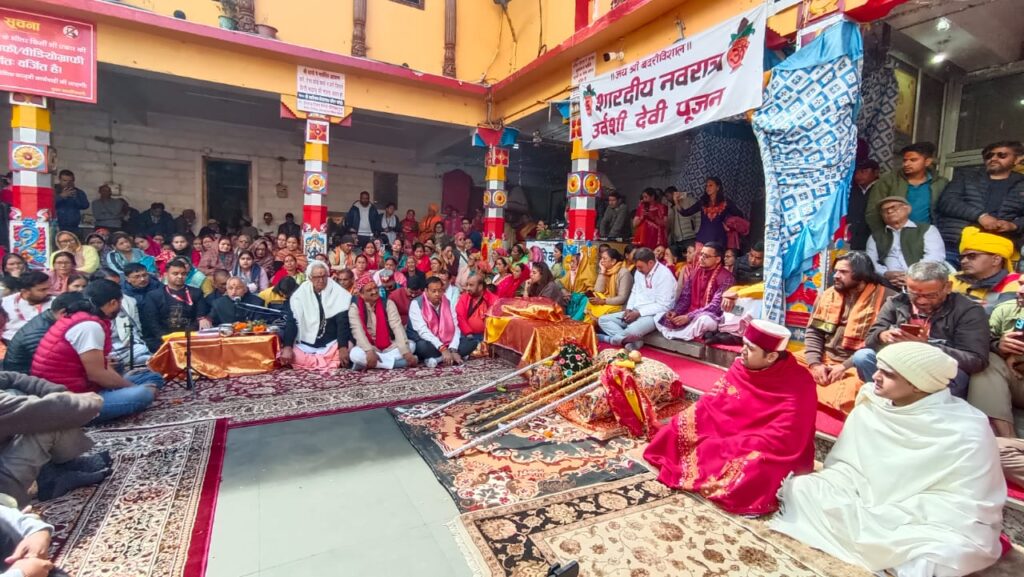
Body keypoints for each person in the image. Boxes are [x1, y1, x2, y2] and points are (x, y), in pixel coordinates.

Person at [771, 342, 1006, 577]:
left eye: (888, 374)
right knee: (802, 488)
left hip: (918, 514)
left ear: (917, 384)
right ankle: (881, 549)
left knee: (950, 552)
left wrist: (896, 511)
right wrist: (860, 493)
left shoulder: (966, 430)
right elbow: (845, 465)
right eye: (878, 369)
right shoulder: (871, 405)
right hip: (860, 493)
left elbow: (966, 504)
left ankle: (883, 547)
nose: (875, 376)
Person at [644, 320, 816, 515]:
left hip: (765, 443)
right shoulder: (741, 366)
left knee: (752, 468)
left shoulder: (799, 383)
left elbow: (787, 435)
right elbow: (712, 402)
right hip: (724, 428)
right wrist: (693, 418)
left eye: (750, 348)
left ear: (771, 356)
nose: (742, 351)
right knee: (677, 427)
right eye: (744, 344)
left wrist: (743, 443)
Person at [31, 280, 164, 424]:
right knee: (142, 394)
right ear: (113, 303)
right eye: (120, 303)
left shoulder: (81, 317)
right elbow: (97, 374)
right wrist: (132, 387)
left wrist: (123, 382)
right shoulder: (89, 326)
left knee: (152, 377)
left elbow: (102, 366)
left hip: (81, 386)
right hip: (69, 401)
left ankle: (123, 394)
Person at [852, 260, 989, 399]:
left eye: (931, 295)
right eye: (914, 294)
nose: (921, 301)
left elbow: (976, 361)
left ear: (948, 287)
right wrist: (882, 336)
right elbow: (869, 340)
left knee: (956, 376)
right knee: (863, 356)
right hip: (898, 365)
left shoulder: (968, 311)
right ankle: (884, 402)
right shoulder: (896, 302)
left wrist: (927, 346)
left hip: (939, 370)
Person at [801, 252, 895, 414]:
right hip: (824, 358)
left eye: (843, 272)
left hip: (855, 365)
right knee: (784, 365)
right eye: (836, 271)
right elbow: (814, 332)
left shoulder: (888, 299)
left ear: (861, 275)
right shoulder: (827, 295)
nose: (836, 276)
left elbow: (880, 345)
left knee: (850, 392)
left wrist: (844, 367)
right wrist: (815, 364)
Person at [0, 370, 106, 508]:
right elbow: (47, 410)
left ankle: (53, 471)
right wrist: (91, 401)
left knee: (20, 396)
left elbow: (11, 377)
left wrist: (62, 392)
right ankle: (48, 478)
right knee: (53, 417)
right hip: (4, 491)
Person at [937, 141, 1024, 264]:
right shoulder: (967, 176)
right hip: (955, 245)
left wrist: (1014, 225)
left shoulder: (1022, 184)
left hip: (996, 247)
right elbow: (947, 202)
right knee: (948, 276)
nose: (993, 158)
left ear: (1016, 160)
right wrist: (981, 216)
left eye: (1002, 155)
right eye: (989, 156)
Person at [968, 282, 1024, 439]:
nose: (1020, 291)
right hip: (1019, 382)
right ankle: (1007, 442)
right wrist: (999, 346)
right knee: (987, 361)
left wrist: (1018, 357)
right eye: (1021, 284)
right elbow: (982, 342)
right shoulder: (1006, 310)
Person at [597, 248, 676, 351]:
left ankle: (610, 339)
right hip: (635, 311)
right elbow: (634, 292)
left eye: (640, 267)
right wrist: (629, 308)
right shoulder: (639, 272)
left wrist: (639, 313)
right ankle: (634, 341)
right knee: (603, 320)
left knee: (632, 330)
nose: (638, 270)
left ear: (650, 263)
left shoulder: (664, 275)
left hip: (653, 315)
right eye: (637, 267)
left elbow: (664, 305)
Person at [279, 261, 352, 370]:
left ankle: (312, 363)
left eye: (324, 276)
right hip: (306, 344)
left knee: (349, 347)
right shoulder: (300, 294)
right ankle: (325, 363)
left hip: (331, 343)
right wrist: (288, 346)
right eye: (317, 277)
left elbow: (342, 323)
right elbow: (292, 321)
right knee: (287, 352)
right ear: (310, 277)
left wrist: (342, 347)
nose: (321, 280)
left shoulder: (338, 293)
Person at [656, 242, 734, 342]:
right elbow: (685, 297)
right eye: (701, 254)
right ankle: (685, 334)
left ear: (717, 259)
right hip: (689, 313)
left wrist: (689, 317)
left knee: (704, 321)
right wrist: (676, 312)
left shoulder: (726, 277)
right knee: (659, 316)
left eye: (706, 256)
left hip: (711, 316)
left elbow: (715, 306)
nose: (701, 258)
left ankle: (676, 334)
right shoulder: (694, 272)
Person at [866, 143, 948, 236]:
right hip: (894, 235)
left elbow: (945, 213)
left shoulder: (940, 183)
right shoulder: (888, 181)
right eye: (905, 160)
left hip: (927, 235)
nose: (906, 164)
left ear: (927, 162)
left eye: (913, 160)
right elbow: (873, 212)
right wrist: (883, 235)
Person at [865, 196, 946, 290]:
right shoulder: (875, 237)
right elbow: (870, 262)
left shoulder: (927, 230)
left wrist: (913, 275)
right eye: (884, 210)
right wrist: (885, 273)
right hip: (888, 283)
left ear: (907, 209)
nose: (889, 211)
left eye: (894, 207)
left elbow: (935, 257)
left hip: (923, 280)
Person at [140, 258, 212, 352]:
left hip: (189, 337)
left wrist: (184, 336)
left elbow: (200, 317)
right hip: (163, 339)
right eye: (175, 273)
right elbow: (152, 322)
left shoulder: (196, 293)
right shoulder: (154, 295)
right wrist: (167, 338)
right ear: (166, 275)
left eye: (183, 274)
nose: (180, 276)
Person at [3, 292, 84, 374]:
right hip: (22, 376)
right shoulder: (40, 333)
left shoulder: (48, 318)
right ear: (63, 313)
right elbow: (50, 363)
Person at [348, 276, 417, 371]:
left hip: (389, 345)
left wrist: (405, 352)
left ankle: (368, 363)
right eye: (369, 290)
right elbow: (358, 332)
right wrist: (369, 351)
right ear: (362, 295)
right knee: (354, 354)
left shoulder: (388, 303)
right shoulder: (355, 308)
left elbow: (397, 327)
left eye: (375, 288)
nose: (374, 291)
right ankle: (398, 364)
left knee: (411, 346)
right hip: (369, 346)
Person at [409, 276, 477, 367]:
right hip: (428, 341)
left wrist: (453, 349)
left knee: (472, 342)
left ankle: (438, 359)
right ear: (426, 291)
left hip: (447, 342)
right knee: (422, 346)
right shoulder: (416, 303)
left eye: (440, 291)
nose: (437, 294)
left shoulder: (447, 302)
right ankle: (450, 356)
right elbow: (423, 331)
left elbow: (455, 327)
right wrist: (442, 348)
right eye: (433, 291)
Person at [93, 268, 152, 367]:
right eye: (111, 285)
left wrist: (134, 342)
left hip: (126, 347)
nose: (116, 289)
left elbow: (135, 329)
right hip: (105, 349)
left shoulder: (128, 301)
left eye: (118, 284)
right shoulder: (92, 306)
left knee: (141, 349)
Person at [951, 226, 1021, 310]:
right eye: (962, 257)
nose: (963, 261)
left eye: (972, 256)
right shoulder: (953, 278)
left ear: (996, 260)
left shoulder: (1017, 283)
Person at [676, 177, 742, 247]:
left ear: (718, 187)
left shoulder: (726, 202)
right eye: (706, 186)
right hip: (703, 239)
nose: (707, 188)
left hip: (719, 239)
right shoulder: (702, 202)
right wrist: (676, 202)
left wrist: (727, 223)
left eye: (710, 185)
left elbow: (739, 215)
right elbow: (685, 213)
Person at [584, 248, 632, 323]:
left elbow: (622, 298)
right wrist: (602, 271)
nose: (601, 261)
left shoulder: (624, 273)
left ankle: (592, 326)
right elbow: (598, 290)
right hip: (606, 301)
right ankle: (589, 327)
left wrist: (603, 301)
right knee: (593, 299)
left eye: (604, 259)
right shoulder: (606, 270)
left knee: (597, 310)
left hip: (619, 305)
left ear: (613, 261)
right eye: (601, 258)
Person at [1, 272, 51, 342]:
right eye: (42, 290)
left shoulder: (55, 303)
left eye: (48, 288)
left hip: (41, 341)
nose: (48, 292)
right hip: (9, 340)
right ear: (25, 291)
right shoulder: (5, 302)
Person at [846, 158, 879, 250]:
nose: (858, 175)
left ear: (876, 173)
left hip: (873, 238)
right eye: (856, 172)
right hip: (852, 238)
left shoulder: (881, 189)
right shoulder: (850, 191)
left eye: (863, 172)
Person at [456, 274, 496, 348]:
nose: (468, 288)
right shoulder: (464, 297)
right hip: (467, 335)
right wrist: (468, 333)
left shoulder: (493, 299)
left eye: (471, 285)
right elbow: (460, 317)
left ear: (480, 286)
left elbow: (495, 320)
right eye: (467, 285)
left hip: (486, 336)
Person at [54, 170, 89, 238]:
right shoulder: (53, 190)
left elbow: (85, 205)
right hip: (57, 226)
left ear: (73, 181)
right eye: (65, 180)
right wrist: (61, 196)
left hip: (74, 227)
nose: (67, 183)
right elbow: (47, 204)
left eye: (70, 181)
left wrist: (75, 198)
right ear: (59, 180)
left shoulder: (79, 192)